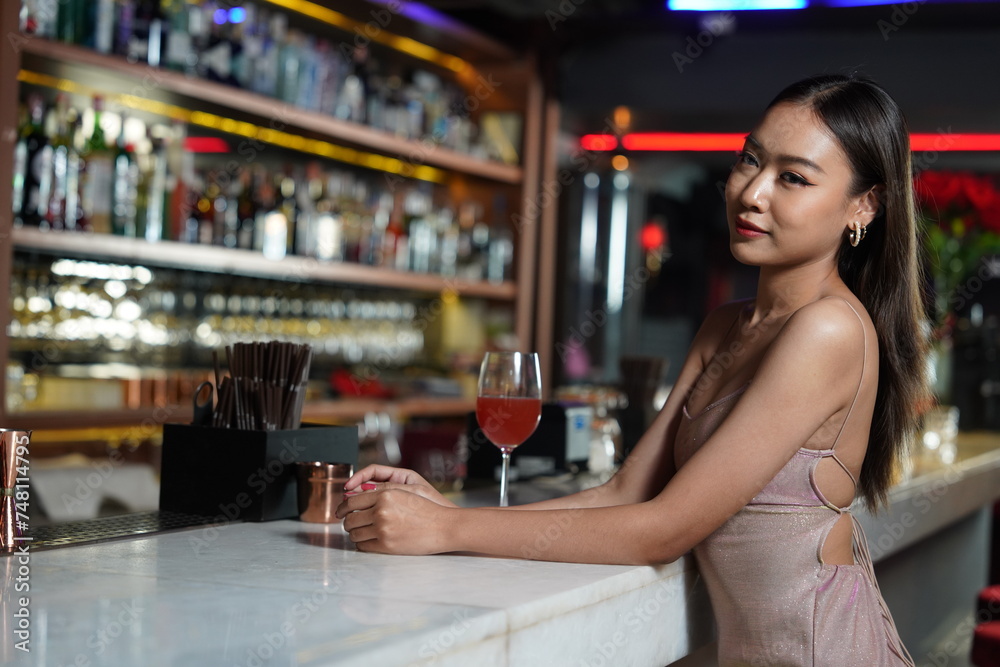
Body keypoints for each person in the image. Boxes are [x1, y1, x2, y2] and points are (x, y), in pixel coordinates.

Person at [336, 73, 927, 666]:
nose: (752, 193)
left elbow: (664, 530)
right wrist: (445, 512)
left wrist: (444, 533)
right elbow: (625, 491)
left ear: (864, 205)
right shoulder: (725, 326)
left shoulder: (830, 331)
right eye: (750, 160)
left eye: (793, 178)